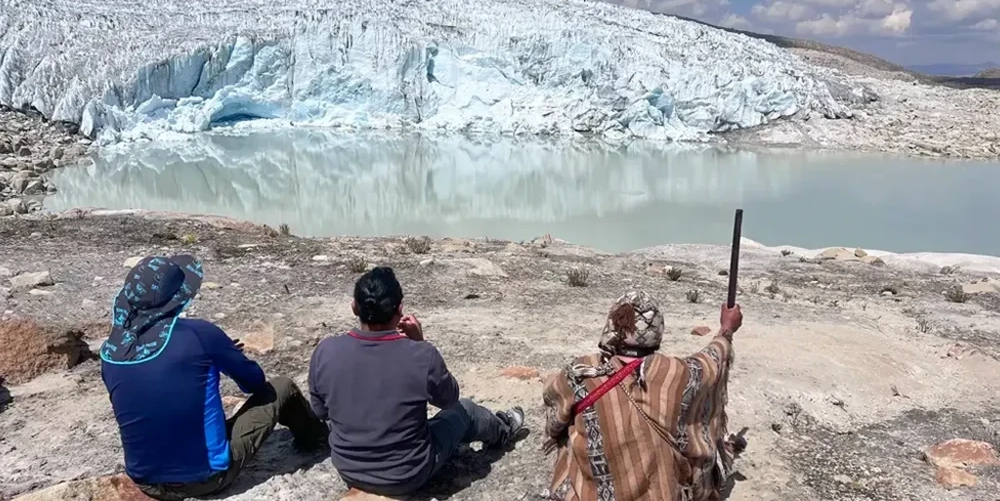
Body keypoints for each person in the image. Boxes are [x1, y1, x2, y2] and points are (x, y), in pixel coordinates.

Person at [100, 255, 328, 501]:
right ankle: (315, 439)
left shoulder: (111, 352)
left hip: (145, 481)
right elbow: (254, 382)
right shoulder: (199, 334)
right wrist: (222, 352)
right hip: (204, 478)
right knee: (281, 386)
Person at [308, 266, 527, 496]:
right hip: (408, 474)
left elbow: (321, 411)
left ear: (354, 307)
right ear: (400, 310)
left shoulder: (325, 351)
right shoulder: (421, 355)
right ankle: (503, 429)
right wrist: (420, 343)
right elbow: (449, 399)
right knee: (467, 411)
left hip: (348, 469)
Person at [542, 290, 744, 501]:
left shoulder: (581, 371)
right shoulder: (678, 374)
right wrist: (727, 328)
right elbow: (712, 360)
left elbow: (553, 409)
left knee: (569, 431)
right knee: (691, 434)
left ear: (613, 327)